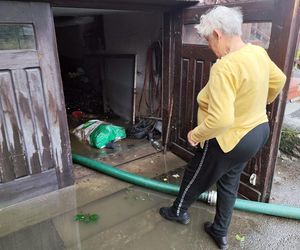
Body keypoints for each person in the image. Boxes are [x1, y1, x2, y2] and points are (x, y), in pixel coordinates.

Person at [159, 6, 286, 250]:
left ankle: (178, 211)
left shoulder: (224, 67)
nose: (209, 46)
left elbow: (222, 121)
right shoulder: (257, 52)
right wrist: (257, 103)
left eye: (208, 39)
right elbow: (278, 80)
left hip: (231, 137)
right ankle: (220, 232)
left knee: (196, 173)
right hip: (257, 132)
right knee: (229, 181)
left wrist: (195, 134)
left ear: (217, 34)